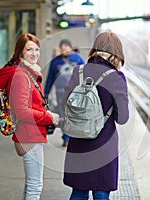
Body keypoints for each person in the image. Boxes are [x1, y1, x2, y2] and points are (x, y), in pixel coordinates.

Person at [61, 32, 129, 200]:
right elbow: (122, 118)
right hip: (104, 145)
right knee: (100, 193)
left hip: (78, 141)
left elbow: (64, 105)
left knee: (78, 192)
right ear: (116, 52)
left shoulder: (79, 71)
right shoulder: (116, 77)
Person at [0, 33, 59, 200]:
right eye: (29, 49)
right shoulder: (22, 76)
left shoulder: (28, 73)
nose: (34, 53)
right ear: (20, 52)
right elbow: (22, 111)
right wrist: (49, 117)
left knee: (32, 184)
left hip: (30, 133)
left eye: (37, 49)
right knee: (35, 187)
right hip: (29, 134)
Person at [44, 39, 85, 147]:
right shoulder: (55, 61)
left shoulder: (78, 58)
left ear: (70, 47)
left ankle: (74, 136)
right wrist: (46, 94)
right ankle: (66, 138)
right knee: (63, 115)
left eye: (66, 48)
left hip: (75, 92)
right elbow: (50, 78)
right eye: (62, 49)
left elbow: (86, 72)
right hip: (60, 92)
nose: (64, 51)